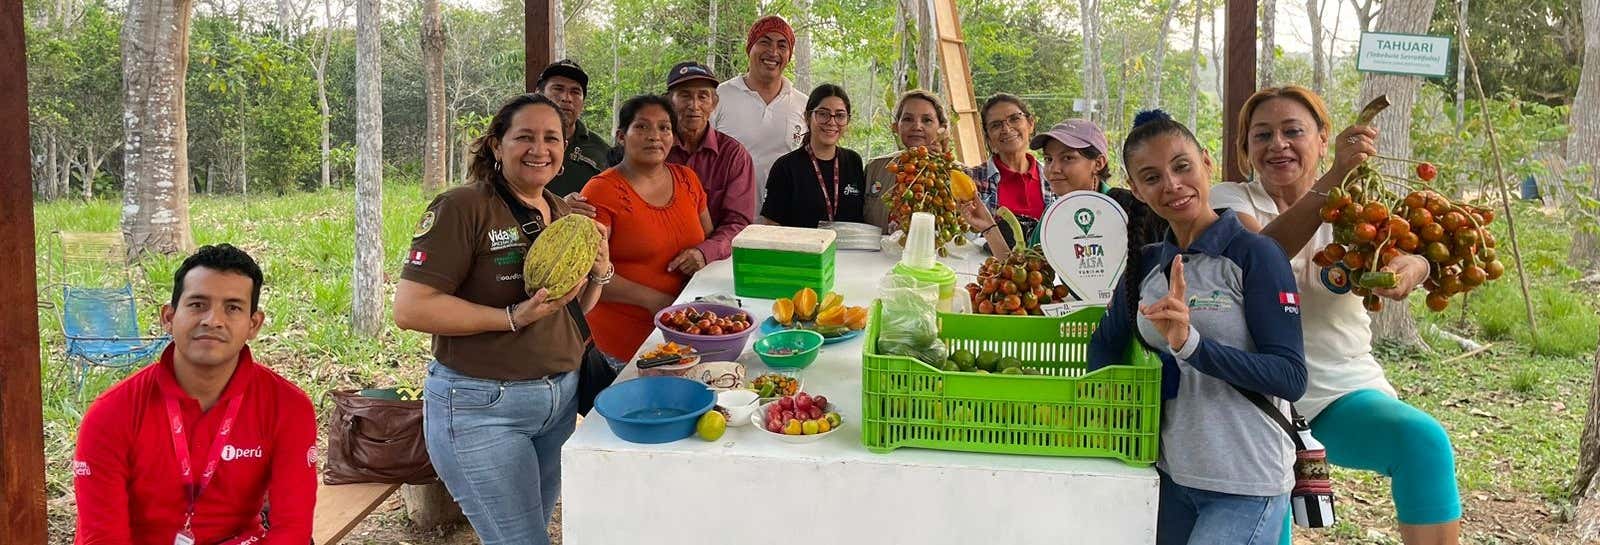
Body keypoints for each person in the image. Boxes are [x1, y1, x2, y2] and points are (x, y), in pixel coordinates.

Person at [1209, 86, 1461, 545]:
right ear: (1246, 150)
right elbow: (1262, 252)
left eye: (1293, 131)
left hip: (1339, 390)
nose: (1277, 144)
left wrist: (1415, 266)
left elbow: (1413, 252)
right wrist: (1335, 176)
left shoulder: (1358, 209)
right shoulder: (1228, 200)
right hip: (1254, 397)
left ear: (1322, 139)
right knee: (1269, 517)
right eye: (1261, 135)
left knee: (1422, 443)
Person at [394, 93, 610, 545]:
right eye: (524, 137)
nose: (539, 149)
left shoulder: (562, 211)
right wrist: (510, 317)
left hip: (557, 403)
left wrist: (600, 271)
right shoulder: (461, 206)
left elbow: (571, 313)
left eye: (551, 138)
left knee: (524, 532)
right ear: (497, 145)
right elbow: (411, 308)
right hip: (482, 407)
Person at [1086, 110, 1306, 545]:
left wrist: (1191, 345)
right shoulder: (1147, 265)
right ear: (1137, 190)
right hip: (1170, 477)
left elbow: (1290, 376)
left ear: (1206, 163)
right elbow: (1104, 347)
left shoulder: (1256, 255)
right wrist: (1114, 420)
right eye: (1151, 177)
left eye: (1181, 166)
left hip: (1245, 483)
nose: (1171, 185)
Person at [73, 244, 317, 545]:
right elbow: (102, 538)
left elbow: (291, 532)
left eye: (233, 307)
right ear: (168, 317)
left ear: (253, 325)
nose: (213, 320)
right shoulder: (111, 413)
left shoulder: (289, 408)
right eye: (198, 304)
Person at [582, 95, 713, 362]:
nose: (654, 136)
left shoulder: (687, 179)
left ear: (674, 138)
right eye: (642, 127)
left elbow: (707, 236)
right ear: (621, 136)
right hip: (626, 341)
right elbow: (587, 272)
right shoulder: (601, 191)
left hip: (686, 329)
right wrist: (658, 301)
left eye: (664, 128)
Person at [963, 118, 1170, 260]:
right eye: (1049, 159)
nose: (1054, 169)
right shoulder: (1053, 216)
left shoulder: (1131, 209)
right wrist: (988, 227)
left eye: (1068, 158)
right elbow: (1024, 275)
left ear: (1098, 163)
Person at [664, 60, 756, 274]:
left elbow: (738, 222)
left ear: (714, 103)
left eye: (702, 96)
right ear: (669, 101)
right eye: (685, 95)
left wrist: (705, 252)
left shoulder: (734, 155)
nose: (694, 105)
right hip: (657, 262)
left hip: (712, 267)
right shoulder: (656, 148)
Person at [711, 15, 810, 209]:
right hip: (728, 220)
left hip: (784, 222)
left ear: (789, 55)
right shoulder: (719, 97)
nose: (773, 52)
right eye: (765, 42)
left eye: (782, 45)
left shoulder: (803, 104)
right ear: (749, 48)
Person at [759, 84, 867, 229]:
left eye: (840, 115)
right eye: (823, 114)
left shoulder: (853, 161)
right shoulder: (786, 167)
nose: (832, 122)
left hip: (848, 250)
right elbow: (770, 226)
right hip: (800, 250)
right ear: (808, 117)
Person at [864, 89, 949, 232]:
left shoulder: (955, 173)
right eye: (908, 119)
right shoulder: (876, 168)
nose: (917, 126)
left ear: (942, 128)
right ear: (896, 127)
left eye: (927, 120)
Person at [971, 93, 1053, 228]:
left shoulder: (1054, 177)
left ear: (1030, 123)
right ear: (988, 137)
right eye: (996, 125)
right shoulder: (973, 180)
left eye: (1014, 119)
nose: (1006, 129)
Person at [536, 59, 612, 196]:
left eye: (575, 92)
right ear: (538, 94)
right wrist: (560, 208)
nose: (567, 98)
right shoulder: (518, 143)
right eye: (558, 89)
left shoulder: (602, 152)